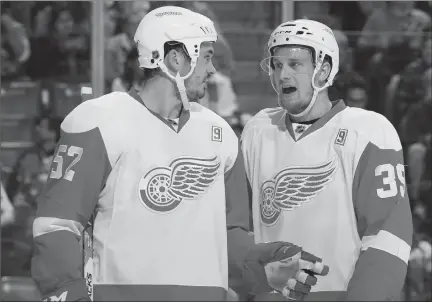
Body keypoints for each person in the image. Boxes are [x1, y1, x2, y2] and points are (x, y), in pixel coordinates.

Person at [31, 7, 328, 302]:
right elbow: (57, 224)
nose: (212, 70)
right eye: (207, 56)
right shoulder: (99, 120)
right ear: (176, 58)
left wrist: (263, 266)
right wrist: (65, 293)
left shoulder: (220, 133)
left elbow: (228, 235)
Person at [241, 19, 413, 301]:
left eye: (295, 64)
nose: (283, 74)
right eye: (277, 64)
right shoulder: (258, 130)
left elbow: (388, 234)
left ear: (324, 69)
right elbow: (238, 229)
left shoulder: (369, 131)